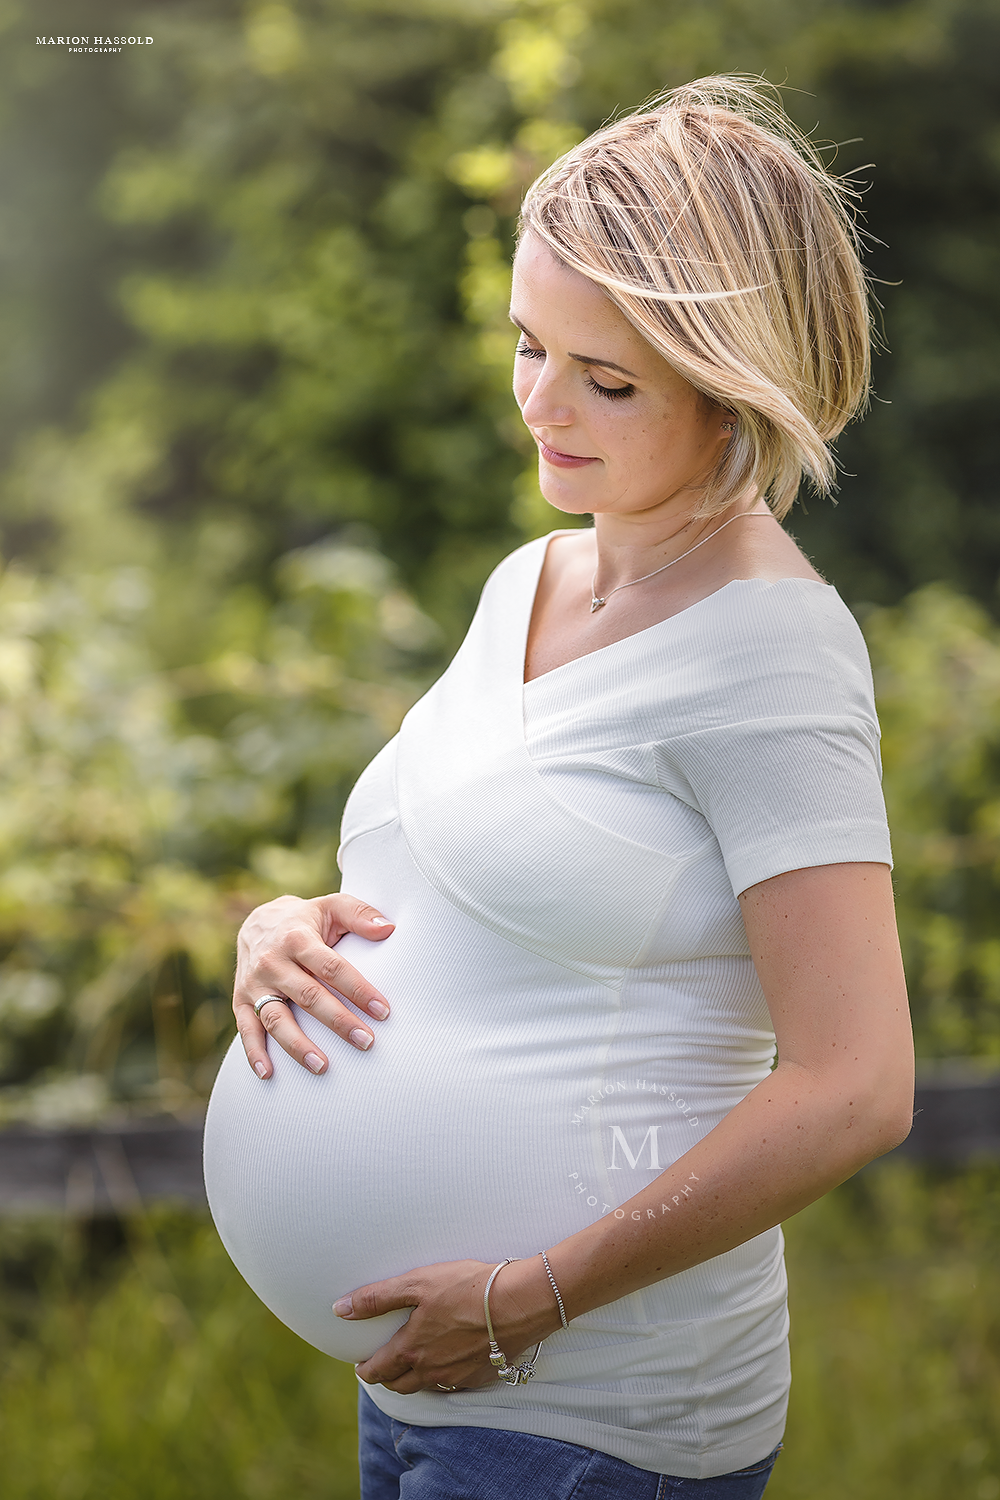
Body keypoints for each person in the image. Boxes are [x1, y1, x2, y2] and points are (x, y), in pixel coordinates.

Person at [205, 76, 914, 1500]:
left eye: (607, 379)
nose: (540, 403)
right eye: (529, 344)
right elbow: (456, 882)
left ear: (740, 384)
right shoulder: (530, 576)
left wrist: (538, 1293)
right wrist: (283, 926)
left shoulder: (773, 658)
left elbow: (857, 1087)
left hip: (595, 1416)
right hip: (432, 1385)